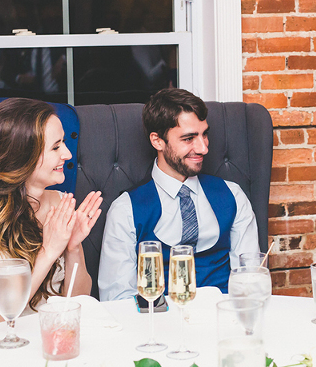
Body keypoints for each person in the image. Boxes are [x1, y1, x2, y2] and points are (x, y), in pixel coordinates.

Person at [0, 98, 103, 331]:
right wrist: (48, 252)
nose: (67, 154)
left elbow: (78, 300)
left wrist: (73, 248)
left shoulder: (61, 202)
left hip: (54, 337)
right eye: (55, 147)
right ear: (22, 157)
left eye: (63, 142)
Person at [98, 88, 260, 301]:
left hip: (224, 314)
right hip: (159, 317)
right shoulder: (125, 210)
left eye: (204, 134)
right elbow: (118, 299)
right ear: (157, 141)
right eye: (189, 138)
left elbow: (250, 282)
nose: (203, 148)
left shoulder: (233, 196)